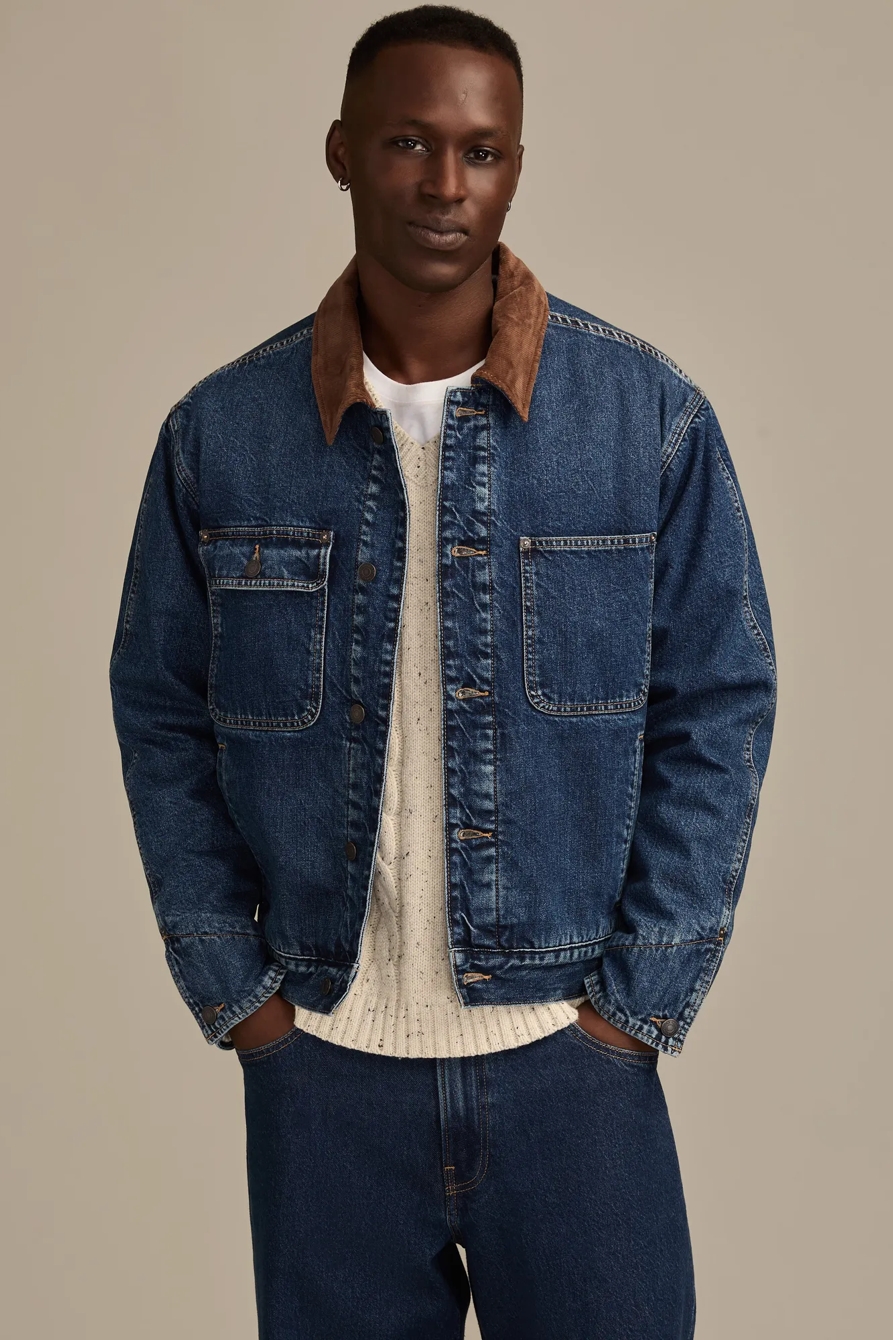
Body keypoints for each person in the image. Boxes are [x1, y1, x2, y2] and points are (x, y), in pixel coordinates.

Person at [108, 7, 777, 1337]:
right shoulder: (222, 435)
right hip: (325, 1075)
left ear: (515, 166)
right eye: (409, 143)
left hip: (570, 1070)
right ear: (340, 153)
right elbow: (162, 711)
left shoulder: (644, 419)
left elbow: (720, 702)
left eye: (481, 150)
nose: (444, 185)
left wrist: (634, 1007)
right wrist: (242, 998)